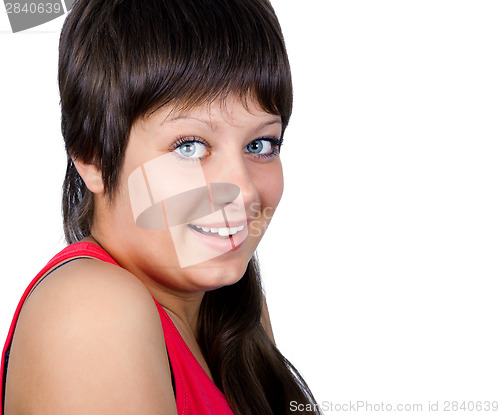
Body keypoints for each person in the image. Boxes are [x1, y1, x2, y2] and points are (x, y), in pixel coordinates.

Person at [1, 0, 320, 414]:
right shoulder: (92, 309)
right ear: (92, 157)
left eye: (260, 145)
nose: (242, 190)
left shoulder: (238, 309)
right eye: (190, 146)